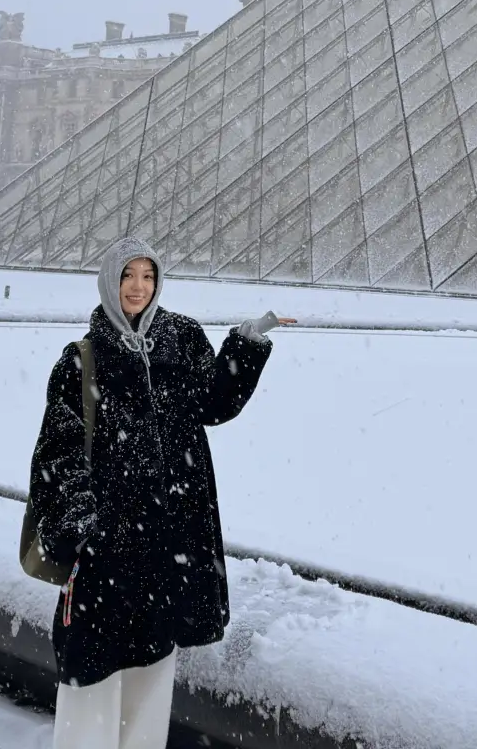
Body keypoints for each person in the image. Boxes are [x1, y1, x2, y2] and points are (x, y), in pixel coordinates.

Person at [28, 235, 284, 749]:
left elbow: (213, 402)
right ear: (109, 281)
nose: (138, 287)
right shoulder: (81, 360)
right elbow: (58, 453)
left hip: (167, 548)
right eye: (127, 275)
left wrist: (246, 344)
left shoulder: (181, 338)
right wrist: (84, 523)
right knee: (89, 682)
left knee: (152, 678)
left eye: (148, 276)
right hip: (105, 552)